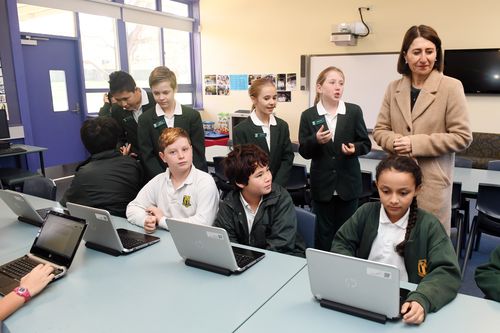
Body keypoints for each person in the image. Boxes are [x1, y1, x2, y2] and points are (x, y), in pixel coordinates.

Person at [331, 155, 461, 325]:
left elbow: (447, 271)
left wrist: (423, 298)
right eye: (386, 191)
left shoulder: (429, 225)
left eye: (403, 193)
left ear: (417, 190)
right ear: (377, 186)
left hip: (406, 299)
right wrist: (352, 274)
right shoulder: (366, 212)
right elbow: (342, 243)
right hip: (364, 292)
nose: (393, 200)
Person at [373, 25, 472, 233]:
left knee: (428, 245)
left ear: (437, 55)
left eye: (430, 51)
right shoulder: (393, 88)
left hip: (432, 184)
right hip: (396, 184)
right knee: (395, 241)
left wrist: (414, 143)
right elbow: (380, 129)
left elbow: (462, 136)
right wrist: (394, 141)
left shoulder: (451, 87)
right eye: (416, 52)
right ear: (405, 56)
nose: (423, 58)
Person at [298, 66, 371, 251]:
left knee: (347, 232)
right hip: (322, 186)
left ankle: (345, 270)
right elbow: (304, 151)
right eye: (332, 82)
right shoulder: (309, 115)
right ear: (320, 87)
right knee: (323, 233)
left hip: (348, 184)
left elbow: (365, 143)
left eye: (341, 83)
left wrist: (355, 149)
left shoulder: (353, 112)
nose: (338, 87)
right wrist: (315, 140)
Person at [213, 144, 305, 256]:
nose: (268, 177)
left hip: (283, 260)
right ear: (240, 183)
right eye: (259, 175)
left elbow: (280, 245)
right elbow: (227, 243)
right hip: (248, 262)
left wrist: (251, 262)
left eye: (267, 170)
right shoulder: (229, 204)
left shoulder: (281, 198)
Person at [127, 127, 218, 233]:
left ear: (191, 150)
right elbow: (132, 208)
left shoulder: (205, 182)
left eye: (185, 149)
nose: (181, 156)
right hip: (165, 240)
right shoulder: (158, 181)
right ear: (163, 157)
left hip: (197, 243)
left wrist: (162, 220)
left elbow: (203, 224)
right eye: (173, 152)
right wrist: (146, 220)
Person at [60, 117, 143, 217]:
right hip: (131, 220)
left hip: (101, 224)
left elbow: (65, 203)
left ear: (85, 143)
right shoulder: (132, 164)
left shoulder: (84, 173)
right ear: (116, 139)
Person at [138, 66, 207, 180]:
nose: (161, 98)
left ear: (175, 89)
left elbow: (198, 152)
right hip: (160, 179)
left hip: (191, 177)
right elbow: (147, 156)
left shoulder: (192, 116)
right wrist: (164, 180)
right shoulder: (145, 119)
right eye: (156, 93)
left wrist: (189, 178)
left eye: (166, 92)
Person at [233, 78, 294, 187]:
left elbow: (287, 157)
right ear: (254, 99)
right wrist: (262, 184)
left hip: (278, 188)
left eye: (274, 98)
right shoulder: (241, 130)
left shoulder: (282, 126)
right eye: (266, 98)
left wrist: (276, 185)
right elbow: (242, 165)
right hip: (254, 189)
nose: (272, 102)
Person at [99, 71, 156, 157]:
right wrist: (122, 151)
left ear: (136, 90)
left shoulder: (155, 101)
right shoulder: (116, 109)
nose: (123, 104)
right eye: (118, 100)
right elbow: (119, 137)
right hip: (135, 159)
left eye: (126, 98)